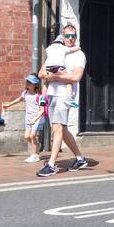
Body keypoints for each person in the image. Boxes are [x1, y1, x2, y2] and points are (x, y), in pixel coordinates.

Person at [37, 23, 90, 177]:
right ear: (63, 36)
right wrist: (56, 75)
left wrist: (54, 76)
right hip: (52, 94)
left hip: (65, 96)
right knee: (63, 129)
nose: (70, 39)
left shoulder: (79, 55)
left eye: (73, 36)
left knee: (57, 129)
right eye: (67, 35)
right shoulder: (57, 51)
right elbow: (41, 73)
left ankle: (52, 165)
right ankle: (80, 158)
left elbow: (76, 77)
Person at [2, 73, 45, 163]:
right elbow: (18, 99)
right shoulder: (25, 93)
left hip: (37, 119)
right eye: (27, 81)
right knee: (26, 137)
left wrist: (35, 119)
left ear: (36, 84)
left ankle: (34, 155)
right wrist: (9, 105)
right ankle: (37, 145)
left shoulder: (40, 96)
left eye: (31, 82)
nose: (28, 83)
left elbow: (42, 110)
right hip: (28, 118)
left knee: (32, 136)